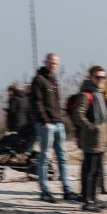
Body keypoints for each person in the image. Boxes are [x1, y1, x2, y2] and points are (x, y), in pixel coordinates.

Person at [29, 52, 80, 203]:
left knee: (62, 157)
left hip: (58, 122)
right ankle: (45, 191)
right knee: (45, 158)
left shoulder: (54, 80)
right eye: (51, 62)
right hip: (46, 124)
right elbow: (37, 102)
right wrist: (45, 120)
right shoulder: (39, 79)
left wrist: (60, 118)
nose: (54, 65)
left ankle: (67, 190)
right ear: (45, 62)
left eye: (56, 63)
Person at [72, 65, 107, 212]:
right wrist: (90, 127)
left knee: (98, 171)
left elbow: (105, 119)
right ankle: (87, 200)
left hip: (102, 139)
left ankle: (94, 198)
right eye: (97, 77)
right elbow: (78, 115)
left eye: (103, 77)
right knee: (90, 170)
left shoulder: (101, 94)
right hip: (91, 139)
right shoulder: (86, 95)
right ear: (91, 77)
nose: (100, 80)